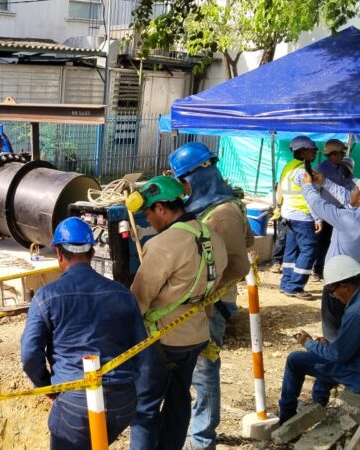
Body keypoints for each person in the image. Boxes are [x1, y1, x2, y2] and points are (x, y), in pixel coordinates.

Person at [20, 217, 147, 449]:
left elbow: (30, 355)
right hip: (123, 401)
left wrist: (48, 386)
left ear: (58, 253)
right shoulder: (122, 294)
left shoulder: (46, 297)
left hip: (75, 403)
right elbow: (143, 350)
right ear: (91, 252)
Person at [126, 176, 228, 450]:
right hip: (195, 334)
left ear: (161, 208)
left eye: (148, 212)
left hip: (162, 340)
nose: (147, 220)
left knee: (145, 408)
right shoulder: (212, 238)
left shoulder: (162, 245)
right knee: (179, 400)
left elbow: (139, 299)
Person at [168, 143, 253, 450]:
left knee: (204, 371)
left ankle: (202, 440)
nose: (184, 187)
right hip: (206, 302)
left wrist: (208, 293)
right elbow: (250, 238)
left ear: (198, 174)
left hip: (213, 305)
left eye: (184, 180)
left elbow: (240, 263)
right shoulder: (219, 203)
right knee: (197, 370)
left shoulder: (223, 213)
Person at [277, 255, 360, 424]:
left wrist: (308, 343)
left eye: (333, 291)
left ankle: (286, 418)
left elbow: (338, 355)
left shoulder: (356, 312)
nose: (335, 296)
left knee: (295, 360)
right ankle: (318, 403)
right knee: (324, 355)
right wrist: (327, 346)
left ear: (345, 286)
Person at [302, 171, 360, 341]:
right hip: (358, 280)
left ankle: (334, 357)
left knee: (332, 328)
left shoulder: (350, 219)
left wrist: (307, 186)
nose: (351, 191)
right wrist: (325, 182)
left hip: (338, 283)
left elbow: (319, 205)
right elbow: (348, 199)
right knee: (350, 325)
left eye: (354, 189)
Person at [279, 136, 322, 300]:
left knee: (291, 251)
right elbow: (310, 196)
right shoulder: (303, 171)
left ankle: (286, 284)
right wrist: (317, 218)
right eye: (313, 150)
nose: (315, 153)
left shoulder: (289, 167)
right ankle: (295, 287)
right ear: (304, 151)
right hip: (302, 216)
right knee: (309, 250)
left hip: (289, 214)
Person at [313, 140, 351, 280]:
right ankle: (318, 270)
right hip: (327, 212)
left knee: (334, 241)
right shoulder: (321, 169)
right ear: (333, 154)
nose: (343, 155)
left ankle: (329, 268)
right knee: (323, 242)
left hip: (339, 211)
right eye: (341, 153)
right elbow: (315, 192)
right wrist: (317, 216)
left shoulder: (341, 168)